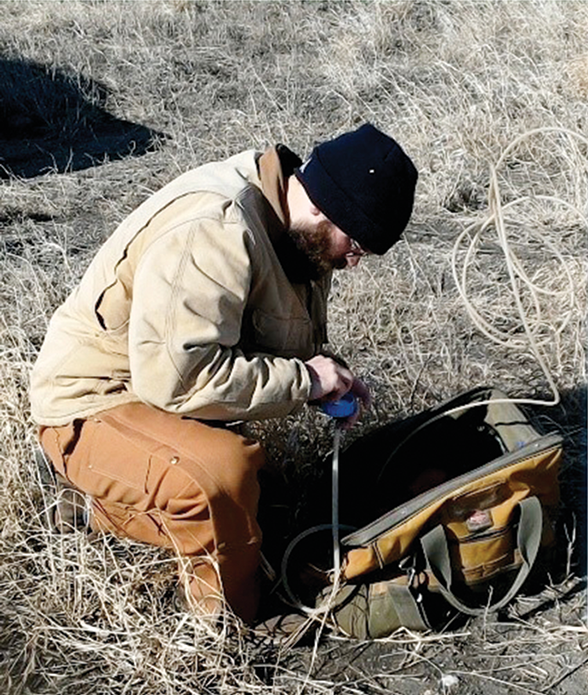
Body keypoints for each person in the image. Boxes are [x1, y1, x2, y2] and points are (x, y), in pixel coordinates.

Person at [30, 123, 418, 624]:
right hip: (92, 402)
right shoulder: (216, 227)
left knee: (273, 505)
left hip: (154, 395)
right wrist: (304, 381)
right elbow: (177, 378)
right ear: (325, 205)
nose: (354, 260)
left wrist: (327, 373)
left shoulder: (299, 231)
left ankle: (91, 508)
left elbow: (271, 335)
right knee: (222, 479)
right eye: (357, 243)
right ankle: (234, 624)